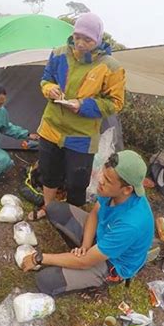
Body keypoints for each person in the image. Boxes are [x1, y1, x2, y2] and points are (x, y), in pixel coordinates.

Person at [31, 12, 125, 220]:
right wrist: (50, 89)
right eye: (77, 37)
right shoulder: (58, 54)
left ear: (98, 39)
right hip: (51, 127)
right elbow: (45, 79)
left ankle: (71, 217)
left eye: (87, 39)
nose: (81, 43)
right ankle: (48, 207)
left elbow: (115, 103)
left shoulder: (111, 67)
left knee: (77, 181)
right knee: (49, 172)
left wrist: (83, 105)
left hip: (82, 135)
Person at [22, 150, 155, 296]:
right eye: (103, 174)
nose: (100, 180)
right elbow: (94, 214)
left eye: (108, 180)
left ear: (127, 190)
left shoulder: (131, 224)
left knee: (45, 281)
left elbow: (85, 262)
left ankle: (102, 279)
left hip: (112, 262)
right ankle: (83, 252)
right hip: (102, 236)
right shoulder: (111, 191)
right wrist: (85, 246)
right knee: (54, 209)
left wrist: (39, 258)